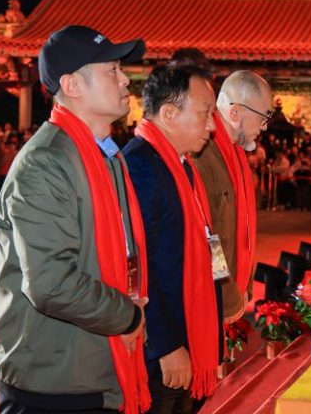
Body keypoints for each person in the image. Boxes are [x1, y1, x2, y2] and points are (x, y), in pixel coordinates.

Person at [0, 25, 150, 414]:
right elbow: (51, 283)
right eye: (112, 70)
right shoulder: (47, 162)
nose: (125, 79)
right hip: (53, 376)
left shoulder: (105, 155)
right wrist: (127, 316)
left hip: (90, 364)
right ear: (72, 85)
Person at [123, 65, 223, 413]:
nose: (212, 126)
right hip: (164, 348)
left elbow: (207, 241)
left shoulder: (180, 165)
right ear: (168, 114)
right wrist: (165, 345)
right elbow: (137, 266)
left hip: (190, 329)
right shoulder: (140, 166)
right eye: (205, 113)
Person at [192, 70, 273, 324]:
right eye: (263, 117)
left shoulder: (234, 150)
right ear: (235, 112)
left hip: (232, 287)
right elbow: (209, 238)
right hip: (212, 296)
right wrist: (226, 295)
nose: (265, 127)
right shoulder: (202, 152)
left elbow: (242, 225)